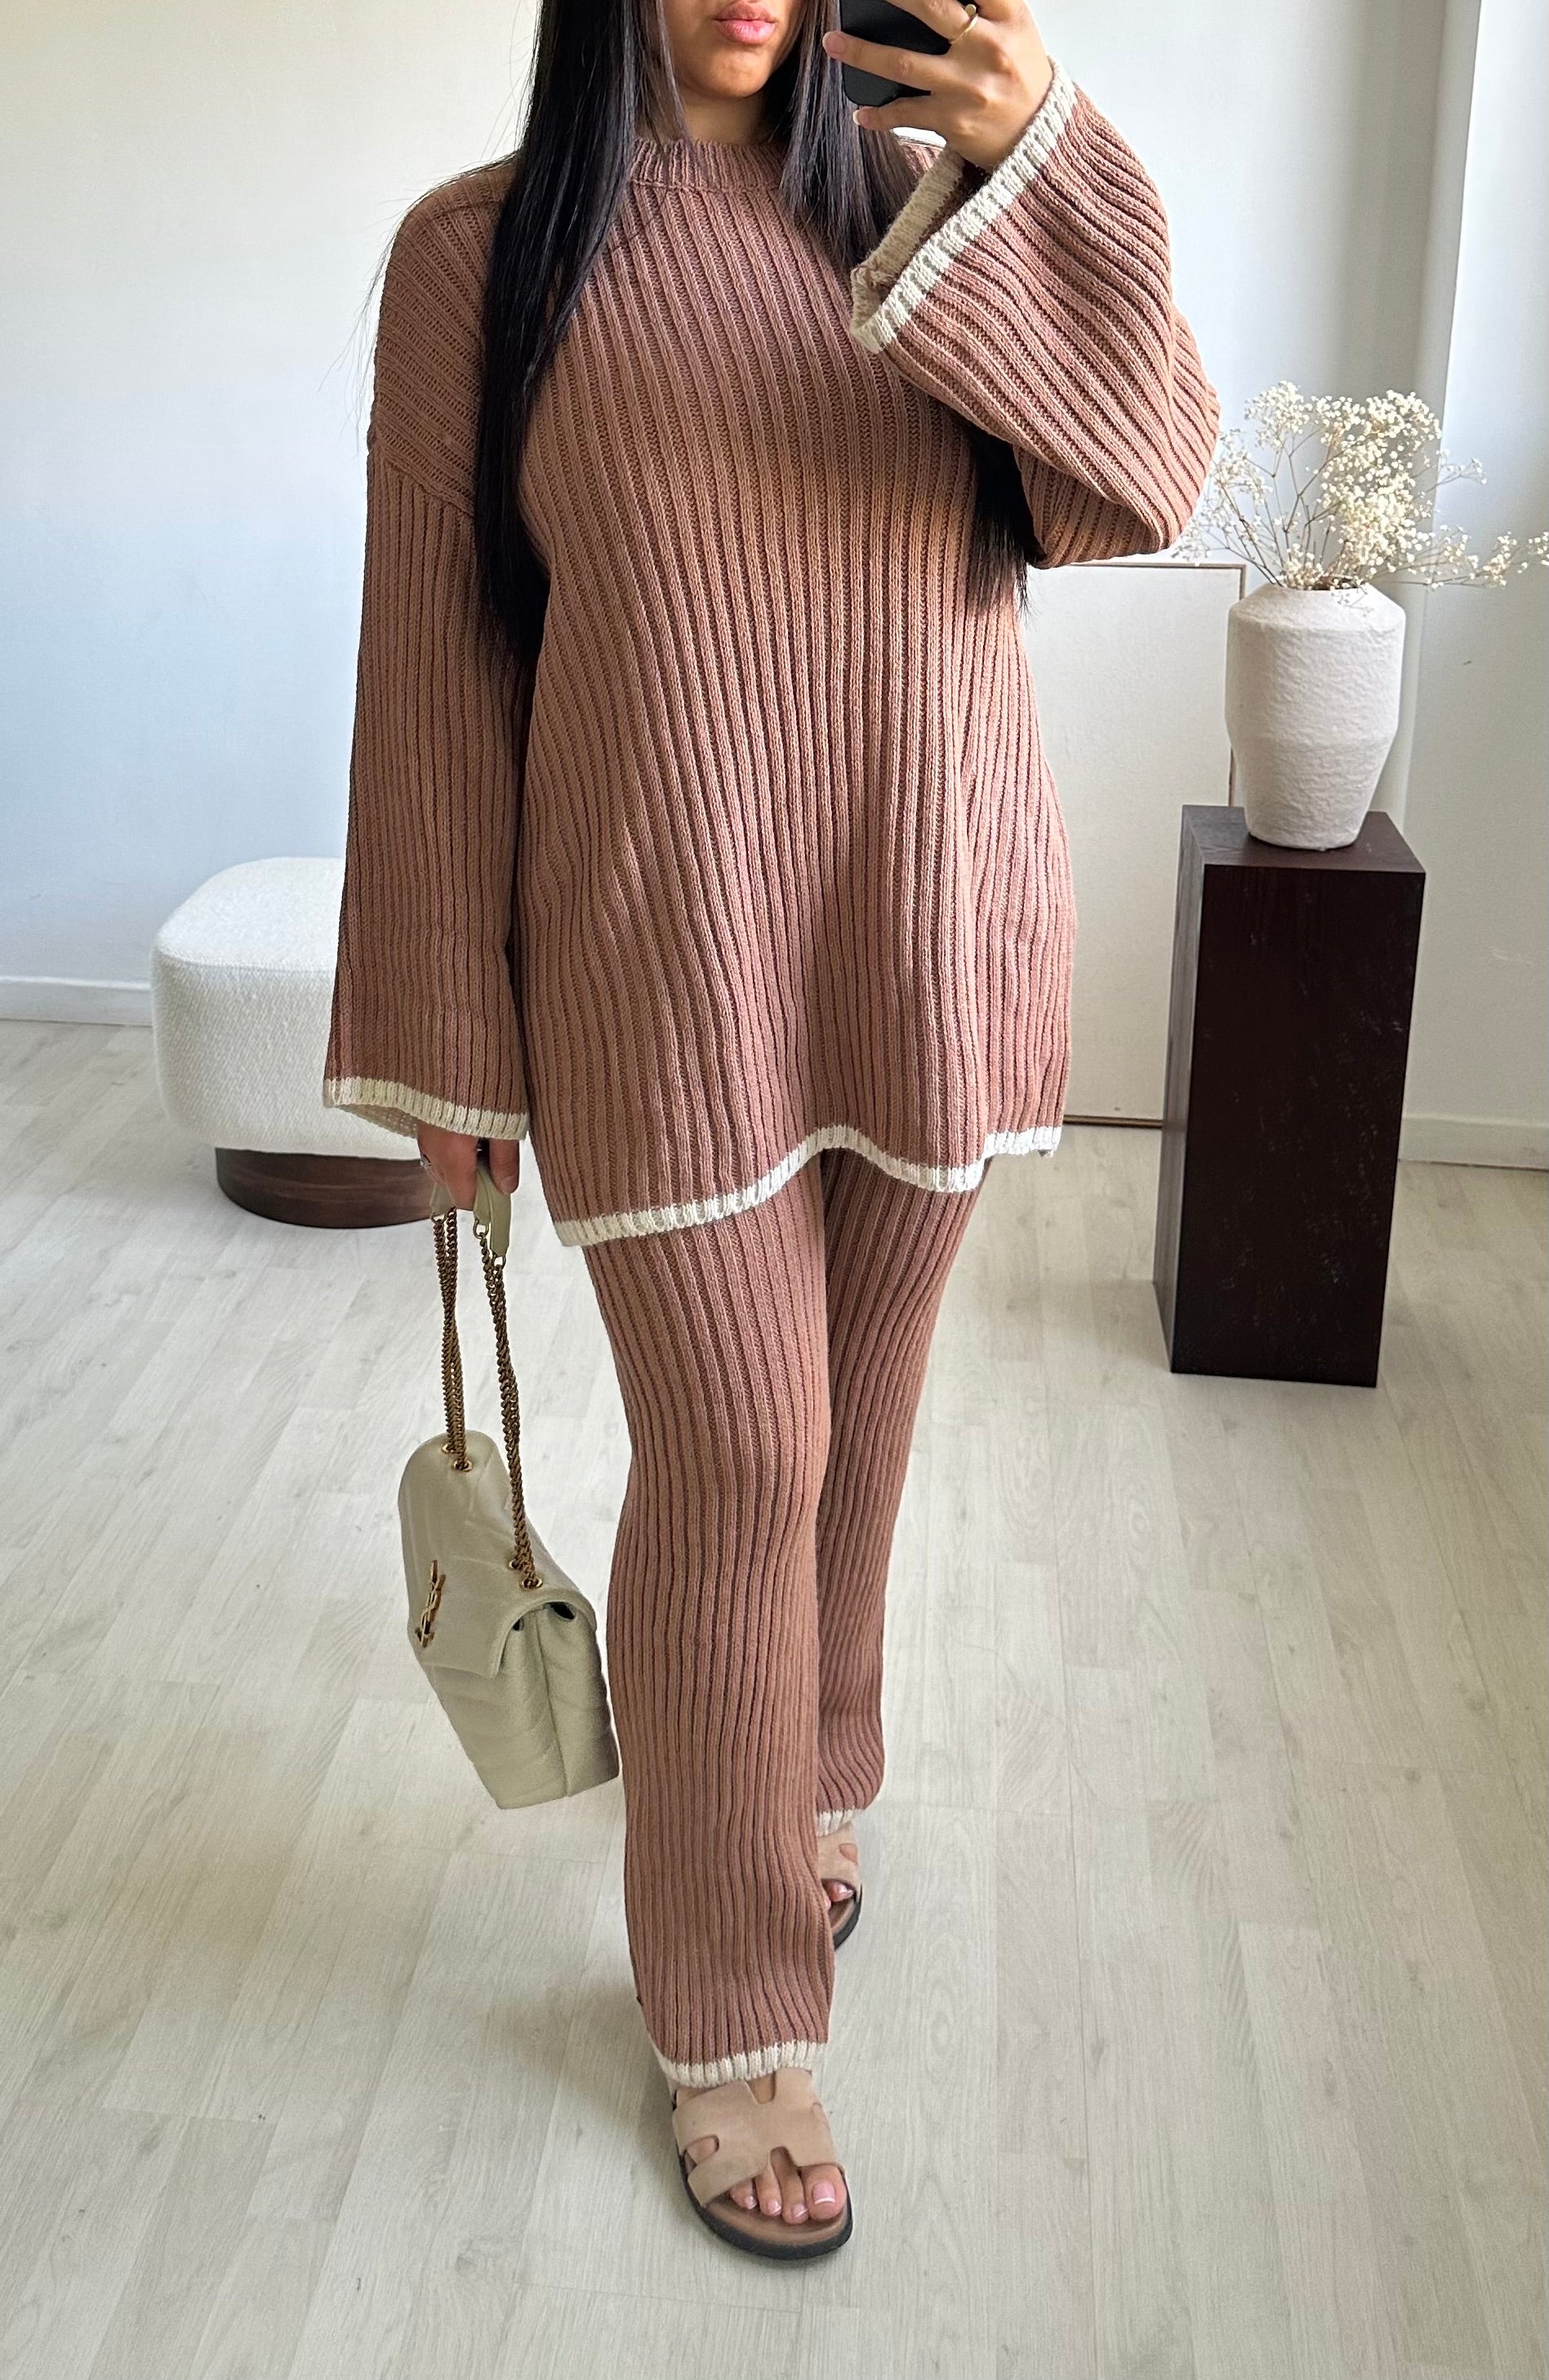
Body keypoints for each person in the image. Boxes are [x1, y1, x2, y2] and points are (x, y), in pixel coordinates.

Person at [323, 0, 1217, 2262]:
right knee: (740, 1457)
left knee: (859, 1431)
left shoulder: (931, 211)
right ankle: (728, 2013)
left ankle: (803, 1778)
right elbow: (435, 667)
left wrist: (1054, 154)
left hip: (931, 926)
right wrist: (442, 1037)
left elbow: (1141, 481)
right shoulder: (477, 260)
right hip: (657, 964)